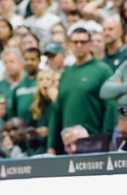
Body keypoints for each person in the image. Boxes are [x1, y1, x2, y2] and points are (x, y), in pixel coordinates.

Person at [47, 26, 112, 154]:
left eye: (83, 42)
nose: (79, 45)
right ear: (69, 45)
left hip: (94, 143)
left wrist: (106, 141)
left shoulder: (103, 71)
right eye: (75, 42)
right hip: (68, 146)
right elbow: (57, 112)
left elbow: (110, 109)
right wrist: (51, 146)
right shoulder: (66, 73)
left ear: (90, 44)